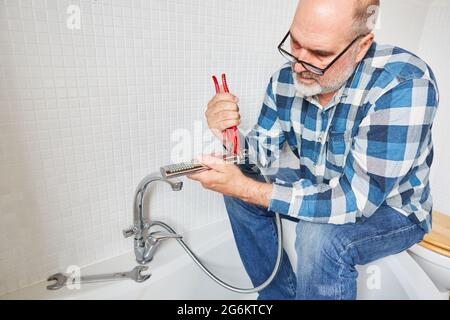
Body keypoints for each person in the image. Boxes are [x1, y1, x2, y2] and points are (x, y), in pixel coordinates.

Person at [188, 0, 439, 300]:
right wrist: (229, 136)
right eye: (295, 42)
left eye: (319, 54)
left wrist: (248, 189)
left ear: (361, 46)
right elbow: (261, 156)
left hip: (393, 210)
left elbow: (355, 200)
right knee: (239, 193)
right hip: (325, 187)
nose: (297, 65)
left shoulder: (404, 84)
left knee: (318, 237)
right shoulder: (285, 80)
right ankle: (277, 297)